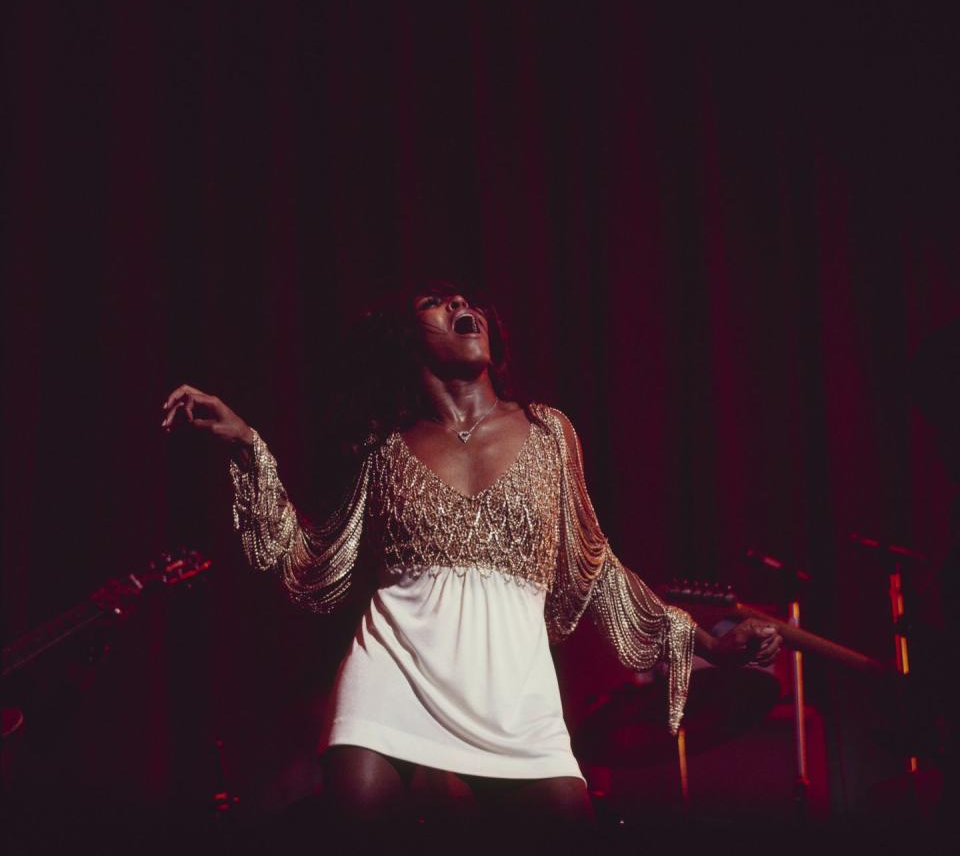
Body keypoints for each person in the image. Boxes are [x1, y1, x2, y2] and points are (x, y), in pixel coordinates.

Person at [161, 282, 781, 831]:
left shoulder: (549, 433)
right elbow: (310, 563)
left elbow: (600, 571)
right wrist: (247, 445)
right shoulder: (383, 453)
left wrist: (713, 644)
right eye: (435, 302)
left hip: (519, 701)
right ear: (406, 342)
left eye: (467, 300)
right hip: (390, 679)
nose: (461, 304)